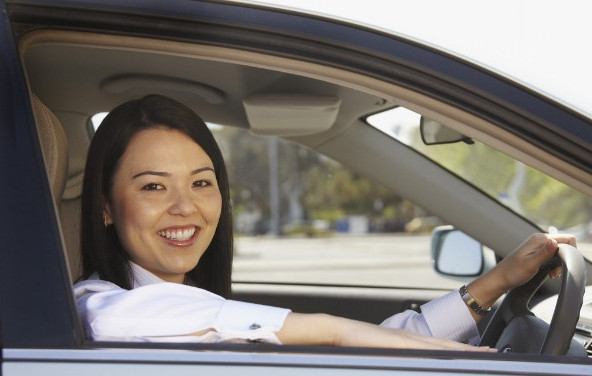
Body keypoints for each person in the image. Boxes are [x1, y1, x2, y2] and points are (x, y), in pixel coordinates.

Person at [74, 94, 575, 350]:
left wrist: (497, 283)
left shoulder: (198, 310)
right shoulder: (103, 309)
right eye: (153, 186)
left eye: (201, 182)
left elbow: (368, 342)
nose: (186, 207)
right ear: (105, 207)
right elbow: (335, 336)